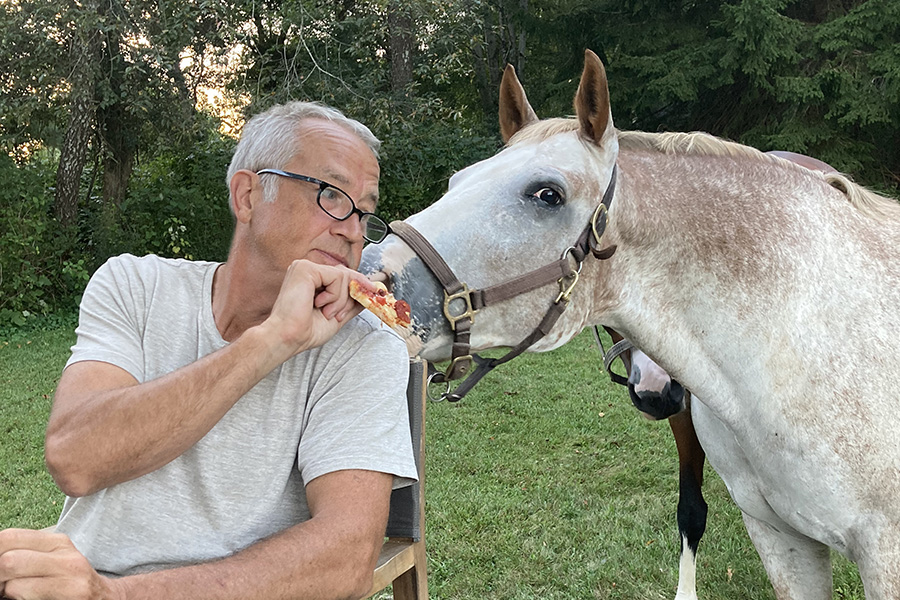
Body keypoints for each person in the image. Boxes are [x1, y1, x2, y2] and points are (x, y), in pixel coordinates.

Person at [0, 101, 418, 600]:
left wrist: (114, 595)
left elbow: (343, 559)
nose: (352, 231)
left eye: (364, 212)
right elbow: (75, 459)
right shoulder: (136, 286)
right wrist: (267, 343)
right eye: (330, 195)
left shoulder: (364, 348)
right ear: (247, 196)